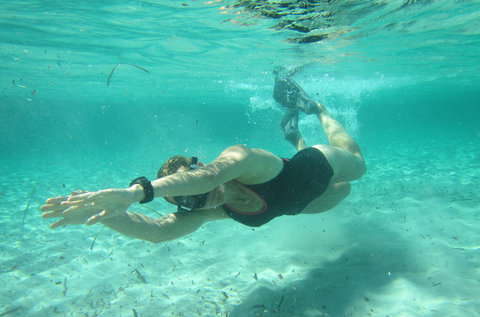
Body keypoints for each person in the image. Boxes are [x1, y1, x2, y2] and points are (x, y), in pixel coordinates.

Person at [41, 77, 366, 243]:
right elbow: (156, 232)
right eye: (186, 202)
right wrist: (103, 215)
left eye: (191, 185)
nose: (198, 199)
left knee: (358, 166)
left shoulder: (238, 161)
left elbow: (211, 178)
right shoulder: (210, 211)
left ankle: (317, 110)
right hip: (298, 203)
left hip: (314, 164)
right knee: (343, 193)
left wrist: (134, 193)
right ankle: (293, 134)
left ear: (201, 166)